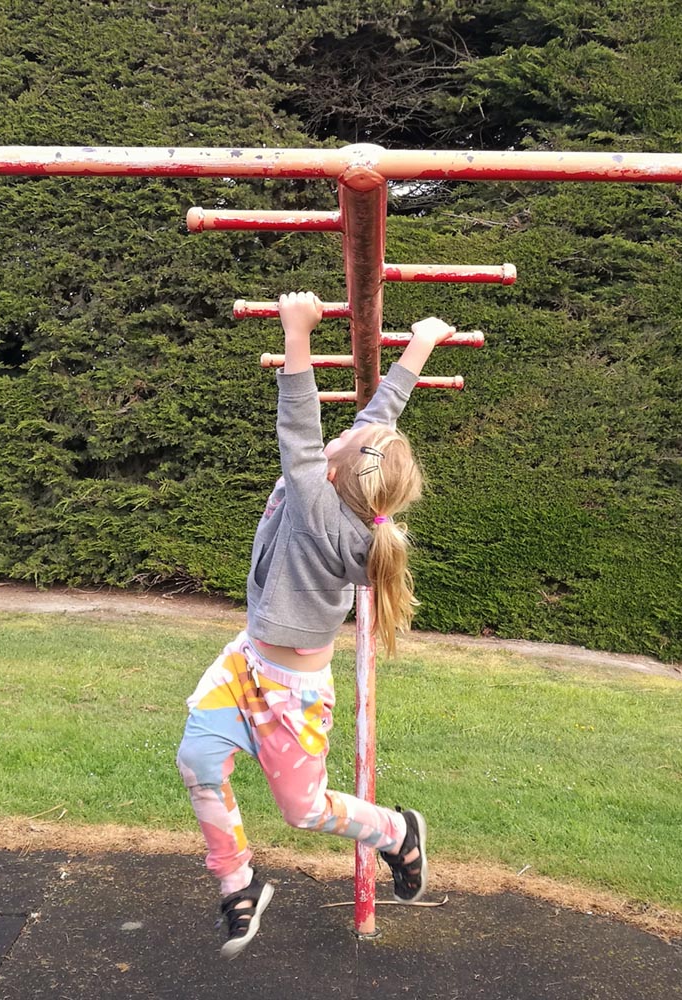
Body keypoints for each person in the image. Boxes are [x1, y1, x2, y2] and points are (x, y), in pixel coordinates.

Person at [176, 291, 456, 959]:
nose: (342, 428)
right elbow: (377, 420)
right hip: (247, 662)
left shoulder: (314, 500)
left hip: (292, 696)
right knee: (197, 761)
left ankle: (396, 833)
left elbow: (299, 421)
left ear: (335, 472)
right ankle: (236, 885)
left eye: (344, 437)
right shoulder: (353, 494)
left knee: (303, 811)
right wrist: (419, 344)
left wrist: (296, 333)